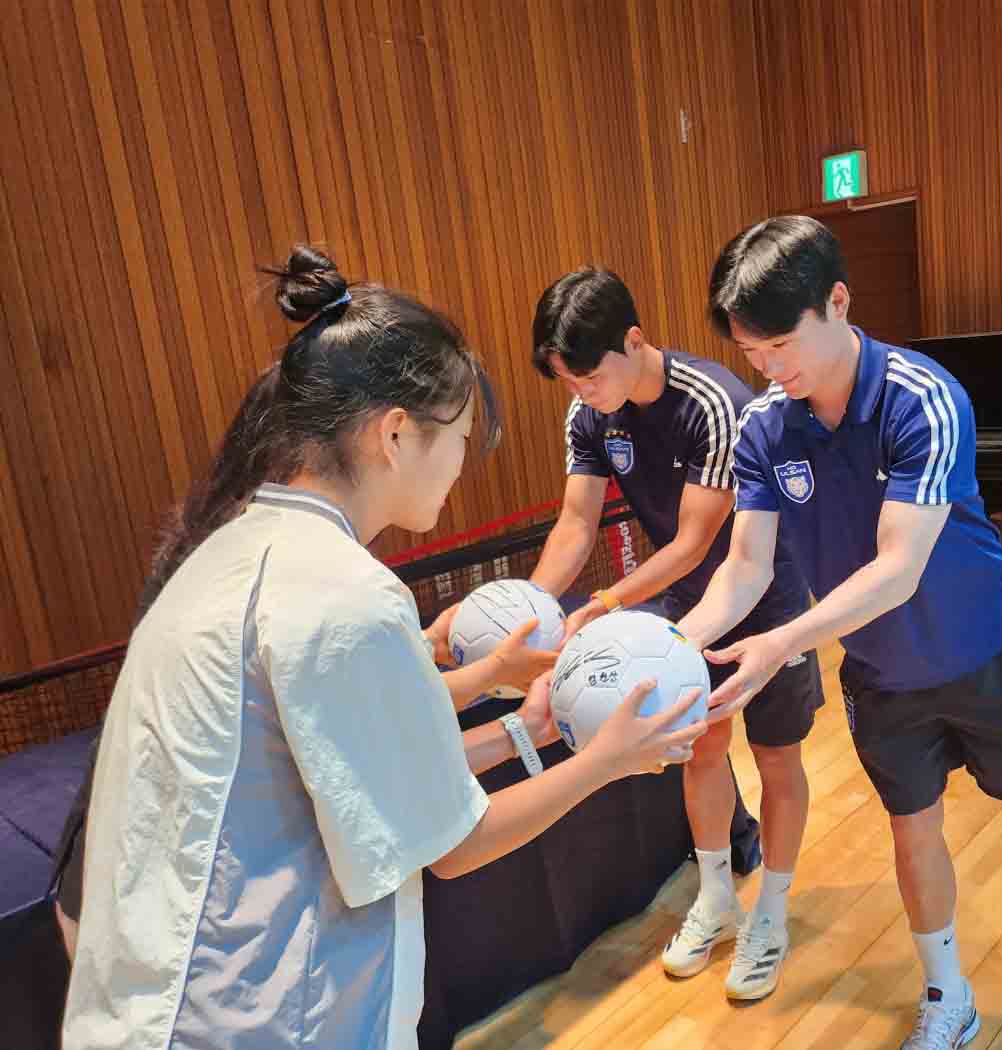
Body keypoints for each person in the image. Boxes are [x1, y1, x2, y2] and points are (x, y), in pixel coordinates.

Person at [60, 247, 705, 1050]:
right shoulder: (347, 597)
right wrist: (604, 759)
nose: (464, 463)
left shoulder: (231, 552)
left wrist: (526, 726)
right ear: (396, 434)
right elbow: (456, 845)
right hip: (252, 1021)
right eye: (463, 437)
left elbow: (350, 761)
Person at [676, 216, 1002, 1048]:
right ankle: (947, 991)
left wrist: (784, 641)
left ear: (840, 301)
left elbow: (900, 567)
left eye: (782, 344)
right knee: (911, 826)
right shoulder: (764, 428)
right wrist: (680, 648)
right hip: (885, 675)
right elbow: (745, 569)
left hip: (988, 645)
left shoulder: (920, 396)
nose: (771, 370)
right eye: (753, 353)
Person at [523, 268, 824, 1000]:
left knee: (777, 759)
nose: (582, 394)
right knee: (701, 748)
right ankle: (717, 897)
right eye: (569, 383)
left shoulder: (716, 402)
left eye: (590, 377)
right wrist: (532, 607)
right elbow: (575, 521)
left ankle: (773, 914)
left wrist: (604, 601)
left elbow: (695, 541)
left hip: (767, 596)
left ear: (634, 342)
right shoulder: (588, 415)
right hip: (683, 604)